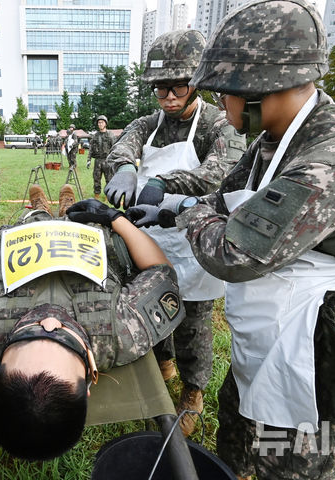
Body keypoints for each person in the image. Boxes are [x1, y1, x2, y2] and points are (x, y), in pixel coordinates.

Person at [126, 1, 335, 478]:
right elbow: (224, 196)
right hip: (274, 322)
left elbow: (232, 253)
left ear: (259, 90)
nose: (220, 103)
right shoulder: (274, 137)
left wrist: (184, 213)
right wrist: (184, 207)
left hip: (316, 341)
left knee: (292, 459)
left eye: (225, 92)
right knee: (239, 430)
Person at [0, 185, 185, 461]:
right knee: (75, 211)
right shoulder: (125, 331)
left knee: (35, 217)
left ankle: (41, 209)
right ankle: (64, 206)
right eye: (64, 340)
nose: (50, 320)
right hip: (88, 228)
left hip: (27, 232)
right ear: (88, 383)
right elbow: (161, 272)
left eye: (29, 336)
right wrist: (114, 218)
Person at [103, 29, 247, 436]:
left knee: (194, 323)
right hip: (149, 238)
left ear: (196, 83)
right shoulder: (148, 123)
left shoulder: (218, 124)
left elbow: (222, 169)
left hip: (193, 238)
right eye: (161, 88)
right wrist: (127, 167)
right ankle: (162, 363)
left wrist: (166, 182)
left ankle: (193, 390)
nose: (169, 96)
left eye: (179, 86)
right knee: (153, 306)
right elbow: (122, 146)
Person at [88, 115, 116, 197]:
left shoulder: (110, 135)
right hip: (97, 161)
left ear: (105, 124)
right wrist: (89, 159)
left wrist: (114, 160)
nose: (100, 124)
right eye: (99, 123)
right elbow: (91, 148)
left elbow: (114, 148)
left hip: (107, 161)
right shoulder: (95, 136)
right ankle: (97, 195)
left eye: (102, 122)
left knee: (109, 179)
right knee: (96, 179)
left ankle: (109, 195)